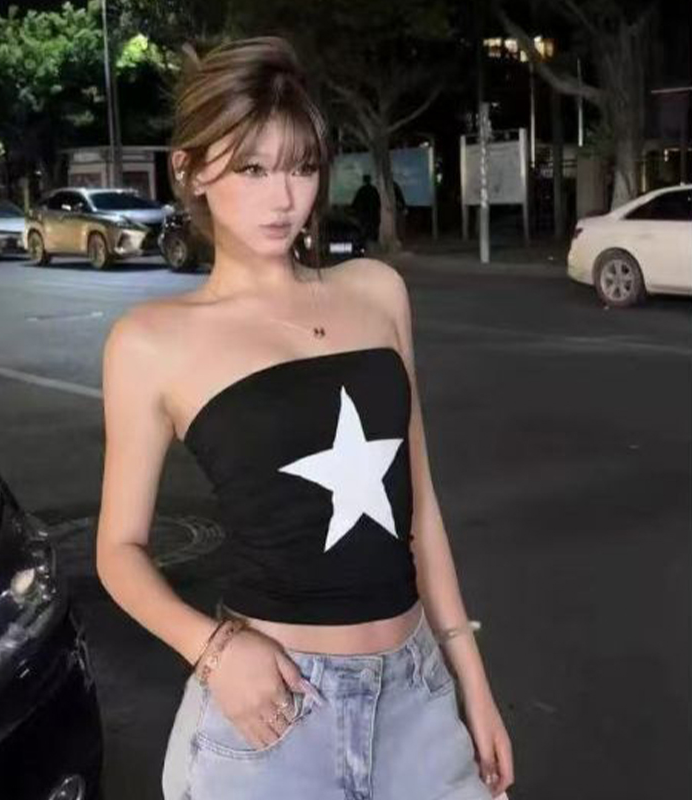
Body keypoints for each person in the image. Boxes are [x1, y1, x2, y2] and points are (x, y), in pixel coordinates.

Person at [96, 37, 513, 800]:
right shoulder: (151, 341)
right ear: (191, 170)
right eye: (253, 169)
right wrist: (212, 650)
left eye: (302, 167)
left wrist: (471, 683)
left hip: (417, 697)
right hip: (273, 713)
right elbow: (117, 551)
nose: (284, 198)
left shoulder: (377, 292)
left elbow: (419, 509)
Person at [350, 173, 381, 241]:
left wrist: (352, 209)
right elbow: (378, 202)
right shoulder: (374, 190)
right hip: (373, 213)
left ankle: (365, 239)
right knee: (373, 228)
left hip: (365, 214)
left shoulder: (362, 190)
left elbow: (356, 202)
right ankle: (373, 239)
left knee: (364, 229)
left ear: (364, 181)